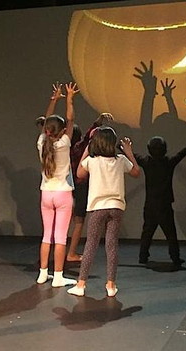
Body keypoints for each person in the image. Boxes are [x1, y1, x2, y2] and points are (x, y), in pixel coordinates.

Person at [67, 127, 140, 297]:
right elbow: (136, 172)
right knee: (111, 245)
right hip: (116, 207)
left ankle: (81, 284)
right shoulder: (120, 160)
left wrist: (87, 148)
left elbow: (79, 173)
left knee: (91, 244)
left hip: (97, 207)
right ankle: (111, 285)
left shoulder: (92, 161)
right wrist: (129, 152)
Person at [135, 136, 186, 267]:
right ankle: (175, 258)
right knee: (170, 234)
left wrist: (120, 146)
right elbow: (183, 153)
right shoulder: (169, 163)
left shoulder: (146, 162)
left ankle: (143, 256)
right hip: (164, 205)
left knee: (147, 232)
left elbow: (132, 156)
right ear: (165, 149)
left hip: (150, 204)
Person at [36, 82, 79, 287]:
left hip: (46, 193)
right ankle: (59, 276)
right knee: (60, 236)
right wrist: (69, 98)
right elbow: (71, 119)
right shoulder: (64, 144)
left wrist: (54, 100)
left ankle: (43, 273)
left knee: (47, 235)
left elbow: (46, 123)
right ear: (62, 131)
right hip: (62, 194)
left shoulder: (42, 143)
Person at [67, 112, 114, 262]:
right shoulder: (79, 147)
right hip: (81, 187)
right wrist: (99, 121)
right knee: (79, 222)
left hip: (66, 186)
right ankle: (71, 253)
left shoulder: (62, 149)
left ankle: (62, 252)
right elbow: (89, 137)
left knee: (65, 222)